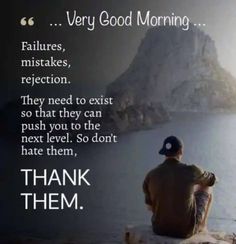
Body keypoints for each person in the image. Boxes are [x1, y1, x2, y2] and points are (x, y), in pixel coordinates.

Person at [143, 135, 217, 238]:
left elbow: (150, 207)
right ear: (181, 151)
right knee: (207, 187)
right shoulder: (192, 171)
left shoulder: (150, 175)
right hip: (184, 231)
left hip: (159, 229)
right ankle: (202, 227)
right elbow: (212, 181)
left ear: (164, 152)